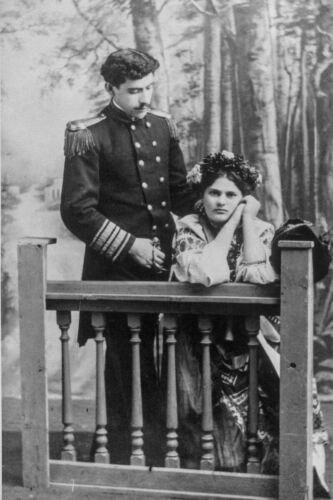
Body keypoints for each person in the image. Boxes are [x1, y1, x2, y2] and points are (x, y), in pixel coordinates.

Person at [60, 48, 194, 463]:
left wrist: (230, 199)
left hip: (169, 267)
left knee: (172, 354)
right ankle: (123, 455)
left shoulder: (162, 126)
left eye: (150, 87)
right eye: (135, 90)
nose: (145, 97)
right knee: (124, 361)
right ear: (111, 88)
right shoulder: (88, 132)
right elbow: (77, 210)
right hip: (115, 267)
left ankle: (171, 451)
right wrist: (130, 246)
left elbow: (180, 195)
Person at [171, 152, 330, 493]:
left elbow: (258, 275)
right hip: (201, 339)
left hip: (253, 337)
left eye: (231, 195)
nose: (221, 201)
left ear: (243, 198)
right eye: (215, 193)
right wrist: (234, 222)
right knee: (206, 427)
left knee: (267, 419)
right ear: (202, 194)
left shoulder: (260, 230)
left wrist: (247, 221)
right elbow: (206, 272)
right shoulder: (187, 229)